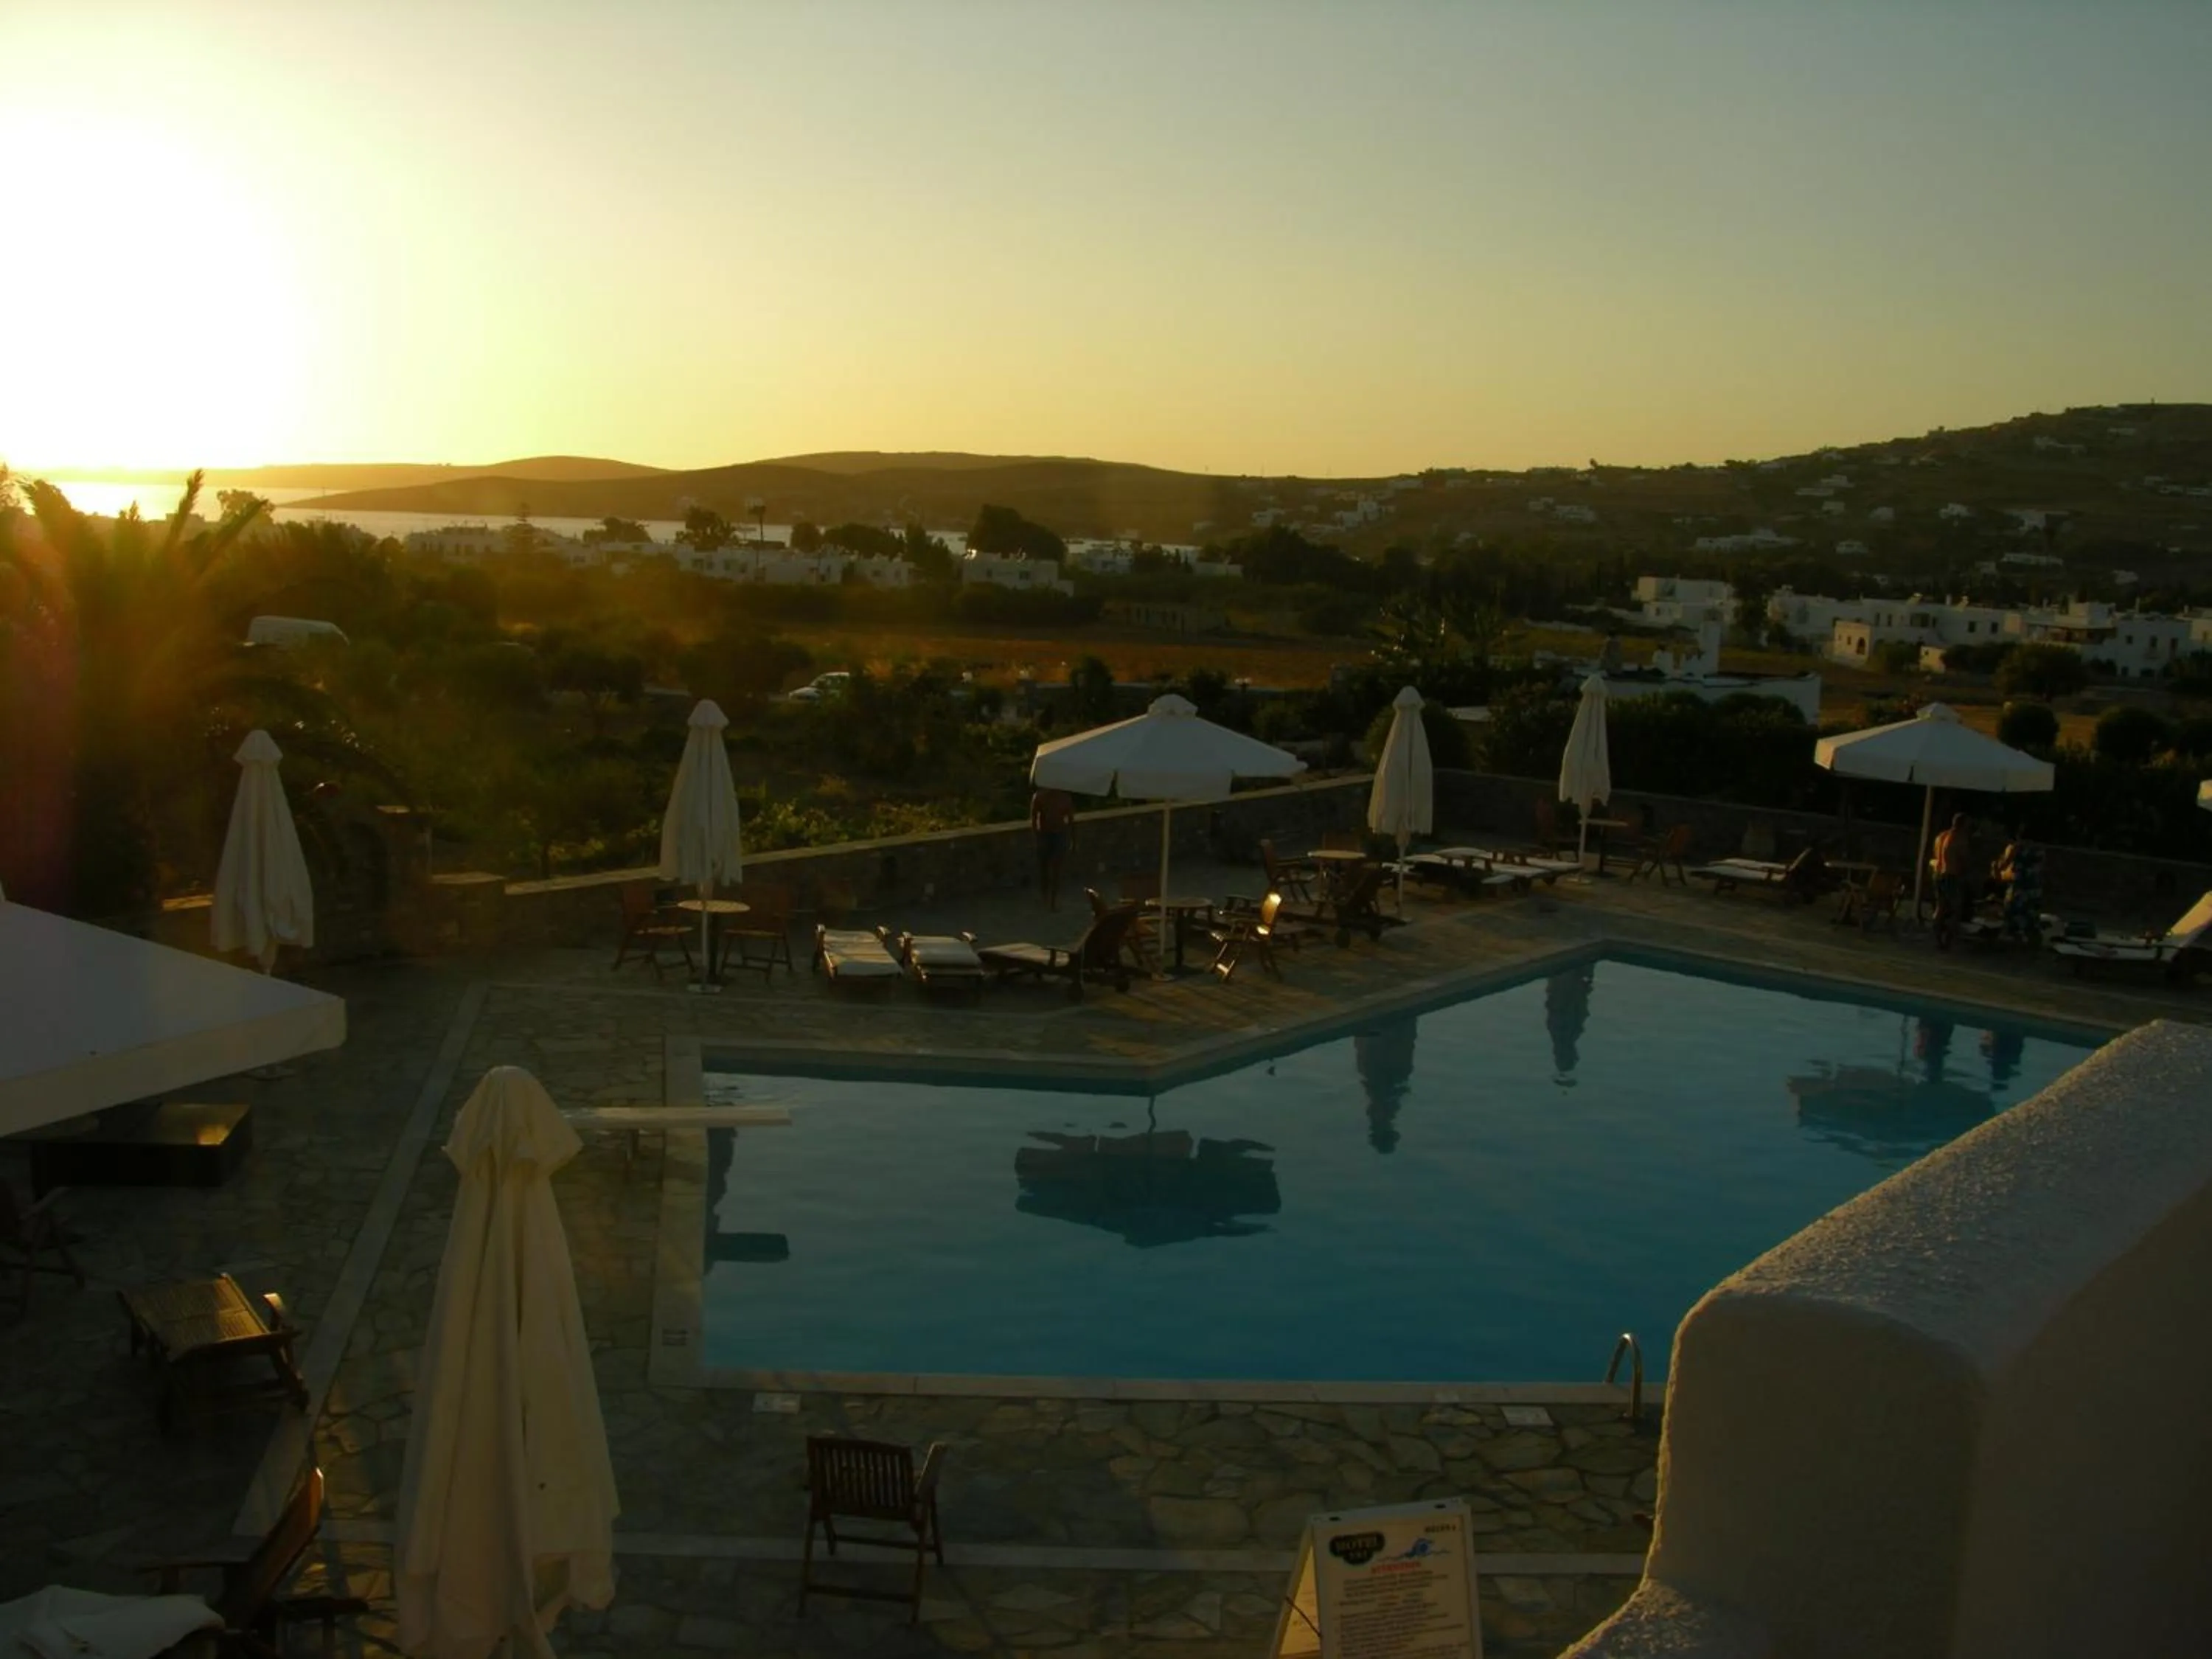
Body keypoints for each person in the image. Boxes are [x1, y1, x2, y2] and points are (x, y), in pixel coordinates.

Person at [1930, 811, 1972, 947]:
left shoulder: (1941, 837)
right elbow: (1964, 859)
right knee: (1956, 908)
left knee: (1940, 906)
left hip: (1938, 874)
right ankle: (1948, 939)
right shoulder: (1959, 839)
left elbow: (1937, 855)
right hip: (1952, 875)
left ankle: (1937, 936)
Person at [1031, 787, 1075, 910]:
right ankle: (1045, 897)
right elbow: (1034, 818)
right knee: (1044, 868)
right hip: (1045, 834)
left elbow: (1071, 819)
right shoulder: (1039, 796)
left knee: (1057, 869)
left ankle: (1053, 900)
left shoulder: (1065, 798)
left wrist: (1073, 839)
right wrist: (1037, 837)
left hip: (1059, 834)